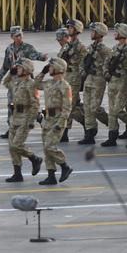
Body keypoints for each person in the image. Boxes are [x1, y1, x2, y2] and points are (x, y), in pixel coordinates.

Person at [0, 25, 49, 139]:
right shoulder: (9, 49)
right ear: (12, 37)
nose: (19, 37)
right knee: (11, 104)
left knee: (29, 104)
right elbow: (6, 64)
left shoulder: (27, 47)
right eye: (17, 36)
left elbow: (35, 54)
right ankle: (11, 128)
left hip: (26, 81)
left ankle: (40, 118)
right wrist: (0, 76)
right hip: (13, 82)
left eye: (20, 35)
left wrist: (42, 57)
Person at [31, 57, 74, 185]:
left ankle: (65, 166)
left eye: (50, 66)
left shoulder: (64, 86)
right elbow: (35, 84)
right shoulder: (49, 83)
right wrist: (43, 73)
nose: (49, 68)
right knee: (46, 147)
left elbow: (67, 107)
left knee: (50, 146)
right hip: (48, 118)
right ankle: (51, 175)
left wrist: (61, 123)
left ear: (58, 68)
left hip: (58, 119)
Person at [2, 57, 43, 182]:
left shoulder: (31, 84)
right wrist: (11, 72)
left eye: (19, 67)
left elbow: (35, 104)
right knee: (11, 147)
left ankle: (34, 158)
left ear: (26, 69)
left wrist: (31, 121)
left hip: (25, 118)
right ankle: (17, 173)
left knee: (17, 145)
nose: (17, 69)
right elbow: (5, 82)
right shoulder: (17, 82)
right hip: (15, 117)